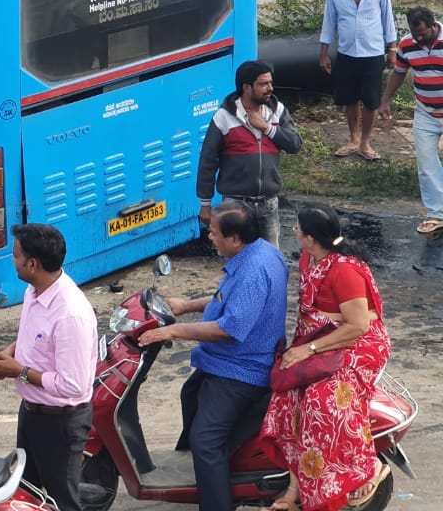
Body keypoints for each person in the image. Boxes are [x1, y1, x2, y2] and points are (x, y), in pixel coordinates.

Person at [137, 202, 288, 511]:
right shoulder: (259, 252)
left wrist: (173, 332)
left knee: (206, 441)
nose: (209, 237)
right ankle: (204, 476)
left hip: (241, 370)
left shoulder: (253, 270)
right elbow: (229, 300)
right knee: (190, 393)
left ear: (234, 238)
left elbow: (230, 328)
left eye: (214, 233)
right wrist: (186, 305)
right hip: (227, 361)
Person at [260, 205, 391, 511]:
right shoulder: (310, 258)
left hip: (355, 345)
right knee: (287, 398)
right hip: (319, 341)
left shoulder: (344, 270)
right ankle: (295, 486)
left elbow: (359, 325)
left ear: (309, 238)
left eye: (297, 229)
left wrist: (309, 349)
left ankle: (367, 465)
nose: (294, 232)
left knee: (322, 403)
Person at [0, 223, 97, 511]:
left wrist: (17, 371)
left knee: (63, 501)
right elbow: (38, 340)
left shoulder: (71, 315)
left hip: (60, 424)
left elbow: (73, 385)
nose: (12, 259)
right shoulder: (35, 292)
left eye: (16, 255)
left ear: (33, 264)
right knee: (25, 495)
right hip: (32, 414)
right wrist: (10, 354)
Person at [196, 60, 303, 248]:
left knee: (271, 260)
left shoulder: (277, 111)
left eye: (270, 82)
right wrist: (205, 204)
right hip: (235, 206)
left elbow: (295, 145)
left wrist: (267, 128)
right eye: (263, 84)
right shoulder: (223, 117)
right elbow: (207, 162)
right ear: (246, 87)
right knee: (237, 261)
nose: (270, 88)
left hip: (268, 204)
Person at [318, 0, 396, 162]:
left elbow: (388, 20)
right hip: (347, 53)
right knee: (350, 99)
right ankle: (353, 139)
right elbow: (329, 23)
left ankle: (366, 143)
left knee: (371, 101)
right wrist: (324, 54)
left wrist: (392, 50)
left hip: (373, 55)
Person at [379, 7, 443, 236]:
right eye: (415, 34)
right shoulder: (407, 45)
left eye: (423, 34)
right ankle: (437, 213)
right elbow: (399, 73)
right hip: (425, 110)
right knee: (426, 164)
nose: (418, 38)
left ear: (433, 24)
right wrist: (385, 100)